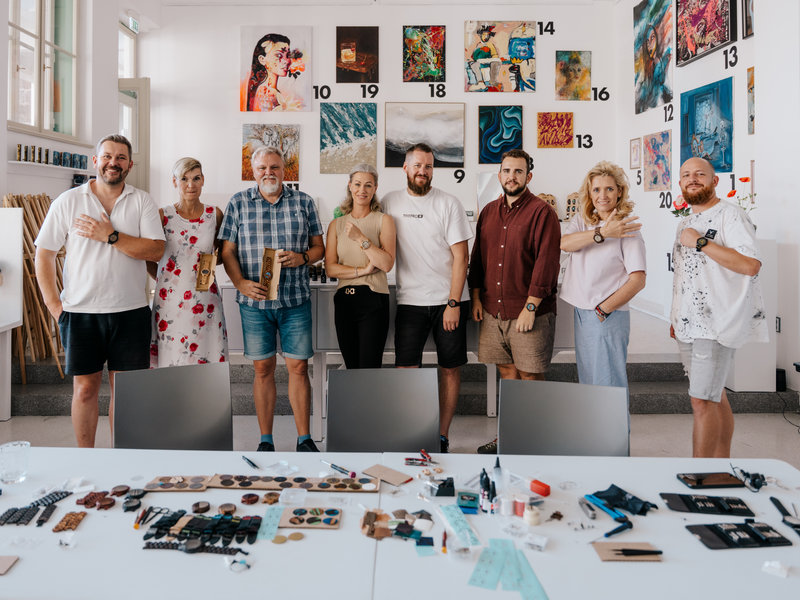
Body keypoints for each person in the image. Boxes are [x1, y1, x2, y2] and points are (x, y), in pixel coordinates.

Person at [34, 134, 165, 447]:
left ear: (129, 165)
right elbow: (44, 254)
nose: (113, 163)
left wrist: (111, 236)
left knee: (126, 395)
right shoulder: (68, 201)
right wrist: (54, 306)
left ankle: (121, 461)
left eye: (120, 157)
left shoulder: (142, 200)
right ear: (96, 161)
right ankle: (86, 460)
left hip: (130, 312)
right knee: (84, 390)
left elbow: (156, 250)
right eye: (107, 156)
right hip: (80, 314)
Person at [218, 146, 324, 452]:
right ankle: (266, 440)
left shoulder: (304, 202)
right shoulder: (238, 203)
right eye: (262, 168)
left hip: (295, 301)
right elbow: (227, 251)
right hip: (255, 305)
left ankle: (304, 439)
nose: (268, 172)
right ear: (253, 172)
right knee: (262, 369)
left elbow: (319, 247)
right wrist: (240, 283)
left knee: (299, 368)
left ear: (284, 170)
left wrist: (303, 257)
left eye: (274, 167)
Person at [670, 157, 768, 458]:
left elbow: (750, 265)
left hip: (716, 325)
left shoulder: (731, 215)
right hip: (689, 324)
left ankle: (701, 474)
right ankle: (721, 465)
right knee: (714, 395)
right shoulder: (685, 223)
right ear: (680, 183)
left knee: (702, 401)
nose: (692, 179)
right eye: (686, 175)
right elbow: (683, 275)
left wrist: (702, 242)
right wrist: (676, 316)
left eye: (700, 174)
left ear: (715, 181)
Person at [468, 149, 561, 455]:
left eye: (518, 171)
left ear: (528, 176)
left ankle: (535, 441)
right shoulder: (488, 212)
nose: (512, 177)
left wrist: (531, 307)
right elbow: (478, 259)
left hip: (528, 312)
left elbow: (547, 263)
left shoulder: (542, 213)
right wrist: (476, 297)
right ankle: (508, 438)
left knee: (530, 375)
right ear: (499, 175)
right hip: (493, 310)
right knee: (507, 373)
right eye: (507, 171)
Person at [382, 143, 472, 453]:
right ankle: (412, 433)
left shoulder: (449, 203)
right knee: (406, 372)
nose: (423, 171)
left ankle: (442, 436)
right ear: (405, 168)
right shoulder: (389, 202)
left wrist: (453, 303)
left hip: (448, 301)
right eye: (418, 165)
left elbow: (461, 258)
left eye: (429, 166)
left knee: (450, 368)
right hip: (410, 302)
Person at [560, 161, 646, 389]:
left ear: (619, 191)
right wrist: (603, 233)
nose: (603, 196)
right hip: (583, 311)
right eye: (596, 189)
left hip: (607, 314)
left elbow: (638, 280)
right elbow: (565, 244)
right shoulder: (582, 221)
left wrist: (603, 310)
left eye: (609, 189)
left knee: (608, 383)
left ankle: (614, 418)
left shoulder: (627, 227)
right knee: (589, 380)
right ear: (589, 193)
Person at [148, 157, 228, 367]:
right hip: (169, 302)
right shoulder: (163, 216)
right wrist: (165, 279)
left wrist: (208, 264)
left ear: (203, 180)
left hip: (206, 300)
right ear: (174, 181)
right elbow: (149, 257)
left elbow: (221, 254)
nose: (190, 184)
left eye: (196, 178)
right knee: (171, 360)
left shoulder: (214, 214)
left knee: (207, 358)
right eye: (184, 179)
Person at [324, 164, 396, 369]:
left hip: (373, 299)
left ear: (375, 188)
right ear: (350, 186)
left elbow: (386, 263)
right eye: (357, 184)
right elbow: (331, 269)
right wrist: (362, 271)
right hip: (344, 301)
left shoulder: (384, 221)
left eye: (368, 185)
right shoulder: (336, 224)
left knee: (369, 368)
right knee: (351, 366)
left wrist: (361, 238)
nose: (362, 190)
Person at [244, 33, 302, 112]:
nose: (287, 61)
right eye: (279, 55)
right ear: (262, 59)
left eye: (288, 55)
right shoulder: (268, 93)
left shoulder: (270, 91)